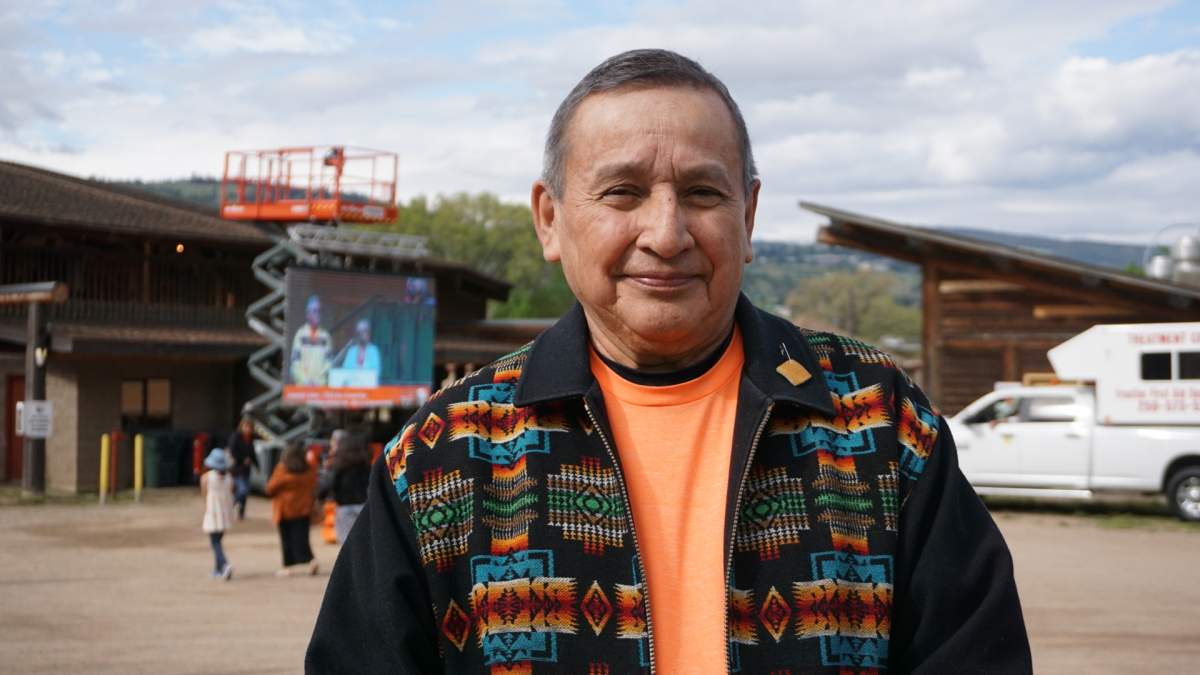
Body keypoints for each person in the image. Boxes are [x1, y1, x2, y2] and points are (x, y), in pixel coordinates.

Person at [308, 49, 1031, 673]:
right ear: (550, 218)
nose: (667, 231)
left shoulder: (879, 424)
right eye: (623, 191)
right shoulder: (444, 456)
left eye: (702, 192)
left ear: (747, 218)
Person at [266, 442, 319, 578]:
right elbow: (314, 485)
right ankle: (311, 561)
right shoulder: (308, 470)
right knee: (302, 539)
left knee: (286, 540)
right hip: (303, 510)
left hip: (285, 510)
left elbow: (270, 488)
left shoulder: (282, 470)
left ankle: (286, 567)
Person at [317, 430, 371, 544]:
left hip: (344, 506)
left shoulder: (339, 463)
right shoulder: (365, 463)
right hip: (363, 504)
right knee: (362, 540)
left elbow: (330, 482)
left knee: (346, 542)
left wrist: (320, 496)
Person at [199, 448, 234, 581]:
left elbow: (204, 494)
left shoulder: (206, 477)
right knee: (218, 541)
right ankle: (217, 569)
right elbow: (231, 493)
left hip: (213, 513)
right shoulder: (229, 478)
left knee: (215, 543)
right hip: (225, 513)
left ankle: (225, 564)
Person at [290, 294, 333, 386]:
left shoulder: (326, 337)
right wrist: (305, 380)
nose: (318, 314)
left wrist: (319, 382)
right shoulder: (300, 335)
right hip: (302, 389)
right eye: (315, 311)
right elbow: (295, 362)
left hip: (319, 390)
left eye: (319, 311)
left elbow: (329, 363)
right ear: (308, 314)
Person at [226, 417, 259, 520]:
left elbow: (252, 454)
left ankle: (241, 513)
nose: (248, 429)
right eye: (246, 427)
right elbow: (232, 451)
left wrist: (257, 466)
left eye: (250, 427)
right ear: (242, 427)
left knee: (244, 492)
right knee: (242, 490)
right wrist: (242, 459)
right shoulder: (236, 437)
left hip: (246, 469)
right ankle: (229, 507)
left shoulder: (251, 439)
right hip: (236, 469)